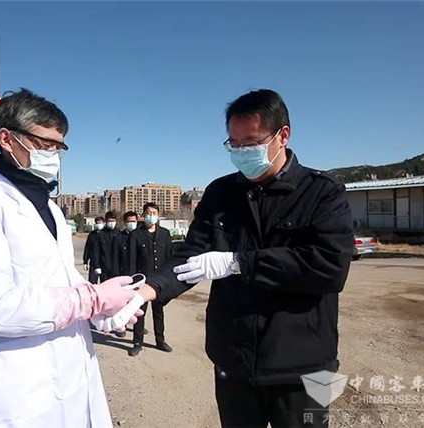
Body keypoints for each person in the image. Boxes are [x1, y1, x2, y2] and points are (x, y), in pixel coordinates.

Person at [114, 89, 354, 427]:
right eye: (234, 144)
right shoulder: (221, 193)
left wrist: (238, 262)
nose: (242, 152)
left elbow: (329, 266)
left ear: (283, 135)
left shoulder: (321, 191)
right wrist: (146, 290)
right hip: (234, 360)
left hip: (303, 365)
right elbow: (190, 255)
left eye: (251, 143)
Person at [0, 88, 140, 428]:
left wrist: (102, 313)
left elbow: (63, 280)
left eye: (60, 147)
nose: (54, 155)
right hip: (14, 382)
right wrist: (91, 300)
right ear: (7, 139)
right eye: (45, 144)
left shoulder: (51, 209)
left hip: (70, 371)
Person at [127, 203, 174, 357]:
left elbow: (169, 257)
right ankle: (137, 342)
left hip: (160, 280)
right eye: (148, 213)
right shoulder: (136, 235)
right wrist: (133, 282)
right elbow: (132, 260)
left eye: (154, 213)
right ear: (143, 215)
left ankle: (160, 340)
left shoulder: (165, 234)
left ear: (158, 216)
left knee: (158, 311)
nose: (151, 216)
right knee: (139, 312)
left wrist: (169, 278)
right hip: (143, 281)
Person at [96, 211, 119, 281]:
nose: (111, 223)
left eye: (113, 221)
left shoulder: (119, 233)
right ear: (106, 221)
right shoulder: (101, 234)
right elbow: (96, 251)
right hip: (104, 268)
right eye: (109, 221)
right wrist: (97, 266)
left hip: (117, 268)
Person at [83, 216, 104, 283]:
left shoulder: (106, 234)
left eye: (100, 222)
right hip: (93, 262)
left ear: (103, 223)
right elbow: (87, 248)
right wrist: (85, 261)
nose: (98, 224)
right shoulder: (92, 235)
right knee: (92, 282)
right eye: (97, 223)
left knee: (104, 283)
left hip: (104, 262)